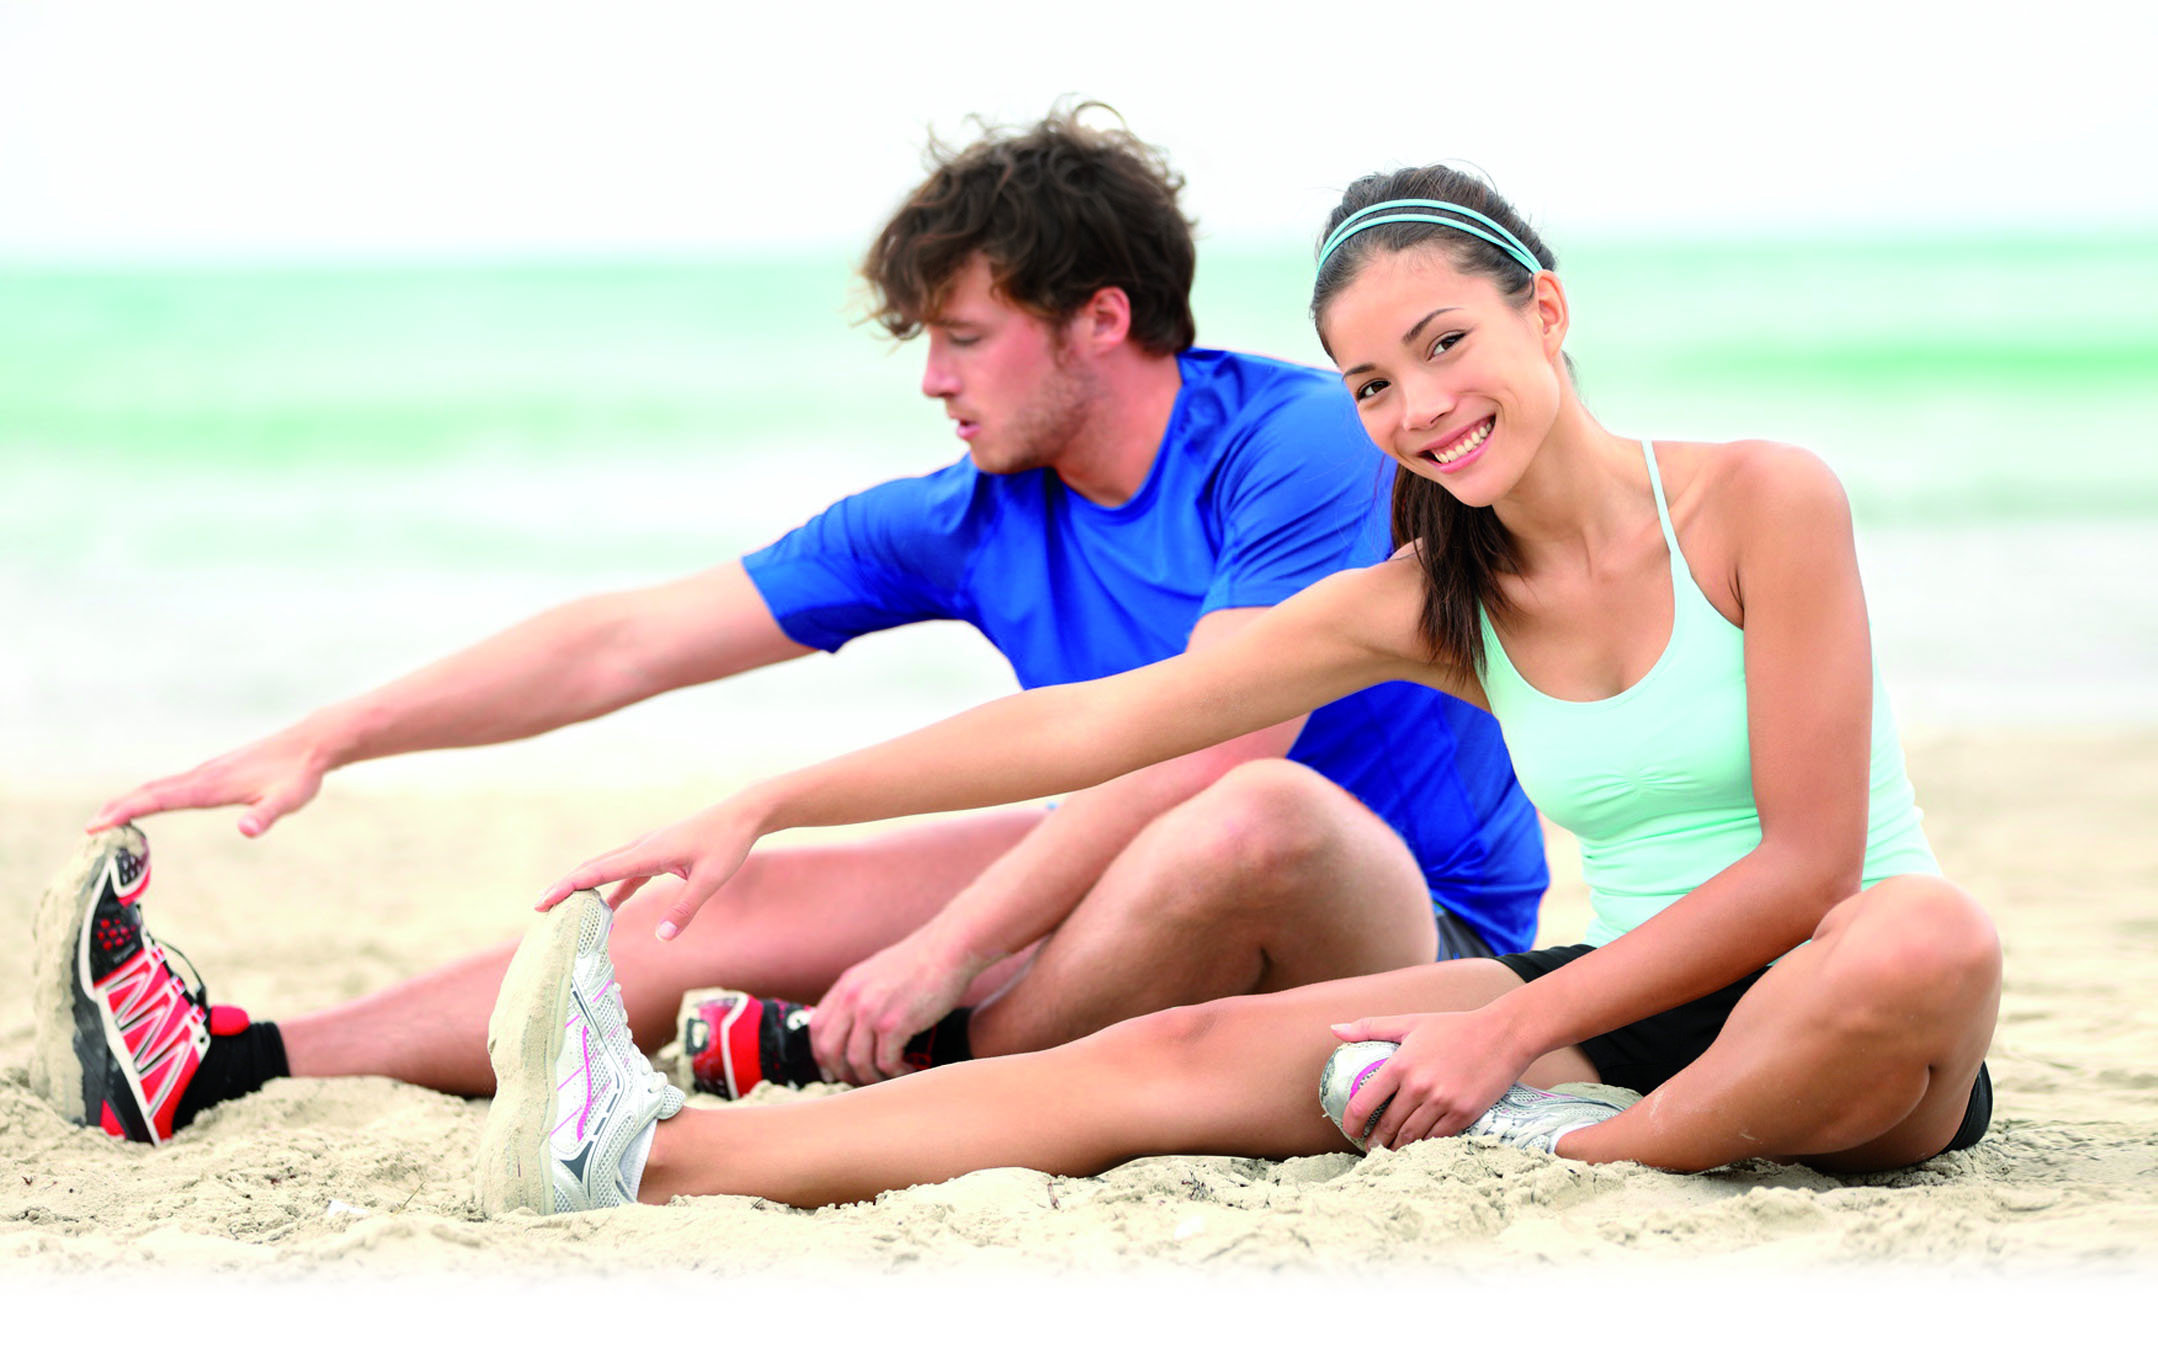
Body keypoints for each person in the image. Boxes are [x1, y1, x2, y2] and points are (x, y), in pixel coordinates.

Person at [466, 164, 2001, 1215]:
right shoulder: (1433, 600)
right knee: (1168, 1059)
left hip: (1855, 1024)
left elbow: (1806, 866)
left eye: (1444, 342)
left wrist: (1490, 1042)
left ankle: (1597, 1156)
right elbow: (1100, 722)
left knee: (1925, 928)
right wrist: (777, 795)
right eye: (1372, 383)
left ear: (1546, 309)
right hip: (1621, 1006)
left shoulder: (1760, 503)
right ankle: (649, 1157)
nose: (1420, 408)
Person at [41, 109, 1547, 1147]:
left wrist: (940, 955)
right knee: (725, 899)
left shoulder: (1293, 443)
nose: (933, 381)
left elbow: (1212, 747)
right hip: (1151, 910)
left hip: (1414, 934)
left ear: (1100, 318)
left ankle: (911, 1041)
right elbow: (625, 640)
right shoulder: (971, 513)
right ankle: (228, 1061)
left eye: (964, 339)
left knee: (1249, 812)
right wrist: (333, 734)